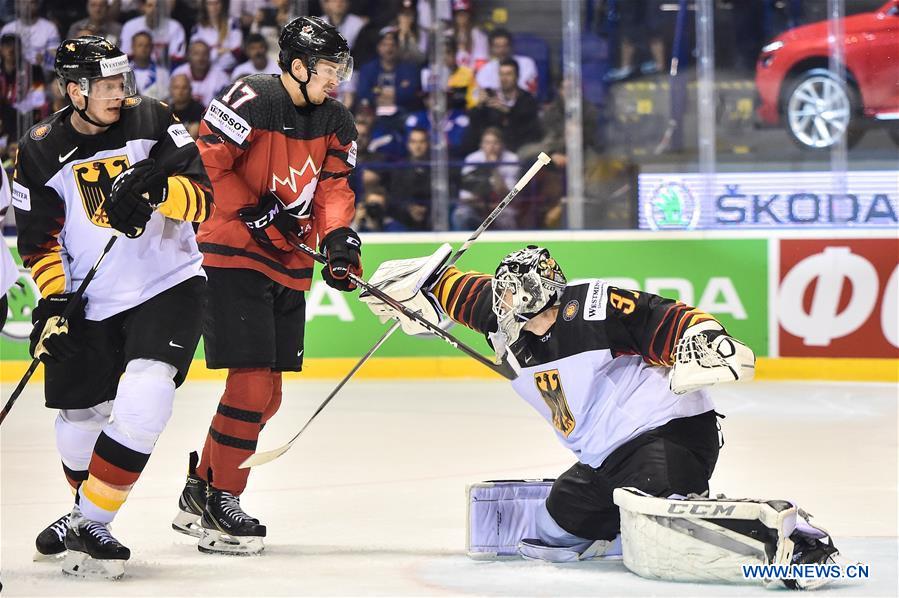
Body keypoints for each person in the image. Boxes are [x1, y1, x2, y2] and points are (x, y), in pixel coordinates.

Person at [359, 246, 843, 588]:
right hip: (606, 457)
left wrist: (704, 337)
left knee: (656, 515)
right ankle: (626, 524)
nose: (498, 308)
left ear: (540, 298)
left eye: (510, 300)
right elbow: (459, 290)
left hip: (667, 433)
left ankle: (789, 536)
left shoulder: (590, 306)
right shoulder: (500, 313)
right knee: (554, 530)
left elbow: (661, 317)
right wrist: (411, 288)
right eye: (500, 297)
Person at [14, 35, 212, 579]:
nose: (118, 93)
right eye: (104, 85)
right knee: (79, 416)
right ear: (73, 90)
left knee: (147, 395)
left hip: (167, 283)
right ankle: (85, 515)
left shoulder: (151, 117)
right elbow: (38, 241)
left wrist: (157, 194)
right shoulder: (36, 150)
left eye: (120, 81)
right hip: (88, 297)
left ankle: (90, 518)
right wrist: (55, 298)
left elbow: (203, 196)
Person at [171, 16, 361, 556]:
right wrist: (254, 210)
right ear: (297, 67)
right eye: (329, 69)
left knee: (269, 395)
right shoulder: (250, 97)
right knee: (252, 386)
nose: (337, 79)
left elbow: (333, 188)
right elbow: (207, 164)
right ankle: (223, 499)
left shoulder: (338, 120)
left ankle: (200, 489)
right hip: (231, 251)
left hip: (287, 260)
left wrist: (341, 239)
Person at [474, 28, 537, 98]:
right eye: (497, 47)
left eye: (505, 46)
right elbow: (479, 94)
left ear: (511, 46)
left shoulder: (527, 63)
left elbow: (526, 91)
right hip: (493, 106)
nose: (502, 50)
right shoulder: (485, 69)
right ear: (491, 49)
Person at [171, 40, 231, 106]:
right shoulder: (179, 73)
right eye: (196, 54)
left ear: (209, 56)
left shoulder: (221, 77)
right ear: (188, 56)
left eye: (204, 54)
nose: (201, 58)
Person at [190, 0, 243, 72]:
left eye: (217, 3)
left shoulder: (232, 23)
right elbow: (196, 55)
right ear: (204, 6)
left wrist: (211, 51)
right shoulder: (198, 28)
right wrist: (219, 52)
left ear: (222, 4)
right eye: (210, 4)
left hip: (230, 71)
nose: (214, 7)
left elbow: (237, 51)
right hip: (206, 72)